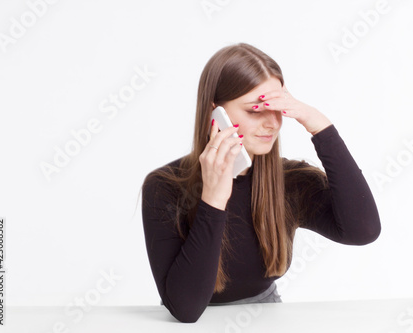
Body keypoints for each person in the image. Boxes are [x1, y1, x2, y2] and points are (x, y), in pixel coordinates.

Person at [141, 42, 381, 323]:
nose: (272, 124)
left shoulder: (289, 181)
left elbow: (363, 231)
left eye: (277, 108)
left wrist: (319, 125)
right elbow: (186, 309)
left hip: (266, 316)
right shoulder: (165, 187)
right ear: (215, 113)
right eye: (255, 110)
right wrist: (214, 199)